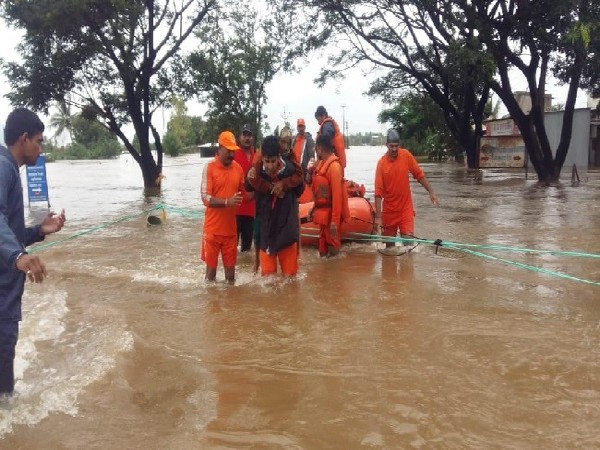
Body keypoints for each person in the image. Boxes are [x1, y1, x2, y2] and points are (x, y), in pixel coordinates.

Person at [0, 108, 66, 396]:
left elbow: (10, 231)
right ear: (24, 139)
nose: (40, 147)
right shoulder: (3, 168)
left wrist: (39, 231)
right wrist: (17, 256)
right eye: (38, 141)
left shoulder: (9, 170)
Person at [246, 136, 303, 277]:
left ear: (279, 157)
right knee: (267, 282)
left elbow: (300, 190)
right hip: (267, 233)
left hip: (287, 232)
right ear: (262, 158)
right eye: (267, 161)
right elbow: (247, 186)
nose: (270, 166)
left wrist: (284, 184)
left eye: (273, 161)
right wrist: (250, 176)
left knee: (290, 279)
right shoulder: (256, 172)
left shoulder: (290, 170)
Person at [374, 129, 439, 248]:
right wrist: (378, 217)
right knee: (389, 248)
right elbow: (378, 193)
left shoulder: (406, 155)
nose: (394, 149)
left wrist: (431, 192)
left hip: (405, 209)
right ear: (386, 145)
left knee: (409, 244)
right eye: (391, 146)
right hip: (389, 211)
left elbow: (419, 175)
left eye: (396, 146)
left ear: (400, 145)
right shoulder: (381, 164)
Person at [200, 130, 249, 284]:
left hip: (230, 232)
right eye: (228, 151)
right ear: (220, 148)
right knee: (210, 277)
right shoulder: (209, 167)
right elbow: (205, 197)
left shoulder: (238, 169)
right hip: (212, 232)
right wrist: (227, 202)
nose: (231, 155)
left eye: (233, 151)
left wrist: (260, 187)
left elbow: (245, 194)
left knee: (231, 279)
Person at [308, 134, 349, 258]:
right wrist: (313, 208)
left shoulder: (334, 167)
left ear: (319, 148)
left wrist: (334, 222)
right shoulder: (321, 164)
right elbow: (320, 192)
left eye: (316, 147)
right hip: (323, 214)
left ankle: (335, 274)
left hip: (332, 216)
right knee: (322, 249)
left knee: (333, 249)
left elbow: (337, 197)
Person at [233, 124, 256, 252]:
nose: (247, 138)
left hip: (251, 211)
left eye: (249, 135)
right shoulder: (233, 154)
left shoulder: (257, 156)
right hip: (235, 210)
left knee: (247, 251)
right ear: (239, 137)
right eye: (244, 135)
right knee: (231, 247)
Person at [314, 105, 347, 171]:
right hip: (337, 163)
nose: (318, 122)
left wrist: (319, 147)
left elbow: (326, 139)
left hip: (334, 165)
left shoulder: (327, 126)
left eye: (318, 119)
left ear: (323, 116)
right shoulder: (329, 125)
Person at [292, 118, 315, 204]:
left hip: (304, 172)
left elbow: (312, 158)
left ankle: (306, 205)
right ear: (297, 128)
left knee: (305, 193)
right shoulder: (294, 139)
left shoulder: (309, 140)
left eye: (302, 126)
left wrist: (309, 172)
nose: (300, 128)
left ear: (304, 127)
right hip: (295, 171)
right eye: (299, 126)